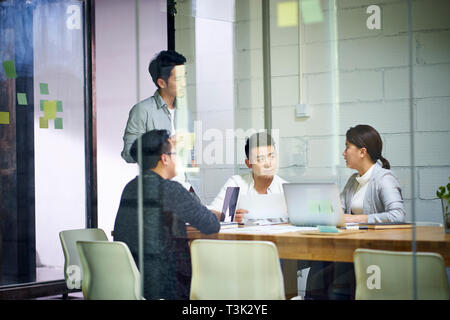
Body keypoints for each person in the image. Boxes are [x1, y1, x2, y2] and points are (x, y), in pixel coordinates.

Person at [113, 129, 220, 300]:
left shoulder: (130, 187)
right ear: (164, 158)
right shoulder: (170, 190)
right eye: (175, 154)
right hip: (167, 286)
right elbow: (211, 225)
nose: (178, 159)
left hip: (134, 283)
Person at [302, 124, 406, 300]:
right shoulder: (354, 181)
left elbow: (398, 215)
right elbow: (338, 210)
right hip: (349, 249)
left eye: (347, 147)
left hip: (373, 254)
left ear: (362, 152)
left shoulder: (384, 178)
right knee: (315, 277)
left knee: (335, 290)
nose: (344, 153)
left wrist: (355, 218)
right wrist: (312, 209)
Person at [121, 50, 195, 190]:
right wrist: (165, 145)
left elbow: (191, 154)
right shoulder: (142, 111)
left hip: (187, 190)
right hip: (157, 191)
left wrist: (192, 184)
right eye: (178, 79)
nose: (184, 83)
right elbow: (128, 153)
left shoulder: (186, 113)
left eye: (184, 76)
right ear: (161, 82)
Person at [208, 131, 287, 223]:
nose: (268, 163)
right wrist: (230, 217)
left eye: (272, 156)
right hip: (244, 237)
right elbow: (212, 212)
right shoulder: (236, 183)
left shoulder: (285, 188)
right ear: (248, 163)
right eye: (261, 159)